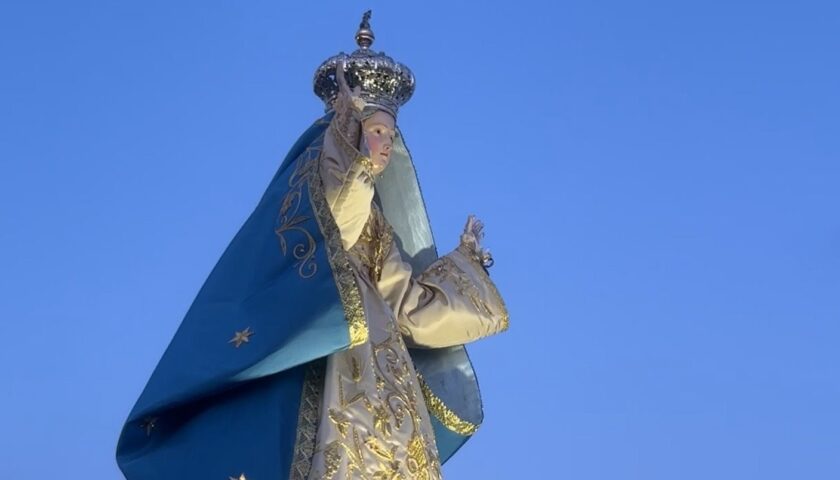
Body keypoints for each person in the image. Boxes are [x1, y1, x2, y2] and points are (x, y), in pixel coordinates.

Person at [116, 12, 508, 480]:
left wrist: (466, 270)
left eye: (390, 135)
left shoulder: (378, 227)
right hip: (324, 345)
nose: (386, 144)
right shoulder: (316, 183)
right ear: (350, 128)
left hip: (383, 372)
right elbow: (336, 219)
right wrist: (348, 151)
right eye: (376, 131)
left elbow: (409, 307)